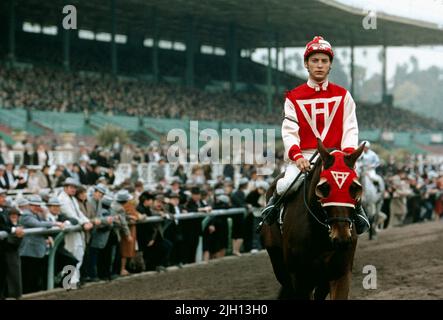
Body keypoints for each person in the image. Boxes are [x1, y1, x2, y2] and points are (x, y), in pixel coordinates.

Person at [261, 36, 369, 235]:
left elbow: (350, 128)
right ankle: (272, 211)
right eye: (315, 60)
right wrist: (298, 157)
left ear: (330, 65)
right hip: (304, 156)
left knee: (353, 187)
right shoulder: (293, 97)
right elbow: (289, 131)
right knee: (285, 186)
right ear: (306, 64)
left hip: (337, 157)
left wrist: (345, 157)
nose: (319, 65)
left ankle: (359, 214)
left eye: (324, 61)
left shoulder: (344, 95)